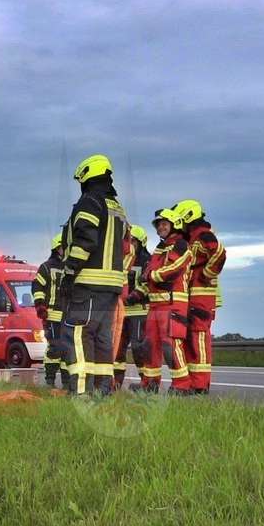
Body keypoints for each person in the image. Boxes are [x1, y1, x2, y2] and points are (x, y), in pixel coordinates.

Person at [58, 154, 131, 396]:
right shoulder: (117, 208)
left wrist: (70, 272)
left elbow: (85, 241)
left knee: (78, 335)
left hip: (88, 284)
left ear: (87, 177)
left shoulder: (90, 202)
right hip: (111, 287)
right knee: (102, 339)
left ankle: (81, 392)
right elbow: (127, 247)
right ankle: (102, 392)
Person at [174, 199, 225, 395]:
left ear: (188, 217)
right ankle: (193, 384)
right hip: (192, 297)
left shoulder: (203, 235)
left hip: (201, 298)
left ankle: (200, 386)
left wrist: (206, 275)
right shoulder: (192, 239)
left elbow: (219, 253)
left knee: (199, 341)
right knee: (189, 341)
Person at [142, 208, 194, 394]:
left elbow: (173, 269)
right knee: (150, 345)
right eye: (158, 225)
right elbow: (147, 271)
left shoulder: (181, 245)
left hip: (173, 304)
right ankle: (150, 384)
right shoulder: (160, 248)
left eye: (164, 224)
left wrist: (152, 276)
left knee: (170, 346)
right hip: (155, 305)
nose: (160, 228)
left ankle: (182, 385)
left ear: (174, 225)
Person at [113, 225, 151, 389]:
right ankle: (115, 383)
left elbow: (149, 282)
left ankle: (146, 382)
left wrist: (135, 295)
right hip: (121, 312)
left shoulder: (147, 260)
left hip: (139, 311)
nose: (130, 244)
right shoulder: (119, 260)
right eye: (128, 241)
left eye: (133, 241)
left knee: (138, 348)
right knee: (118, 349)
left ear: (141, 242)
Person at [32, 233, 70, 389]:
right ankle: (50, 381)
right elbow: (37, 287)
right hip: (52, 314)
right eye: (63, 247)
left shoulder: (71, 267)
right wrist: (40, 306)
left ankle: (67, 383)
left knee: (68, 349)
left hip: (68, 316)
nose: (65, 250)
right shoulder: (46, 267)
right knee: (55, 347)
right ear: (56, 248)